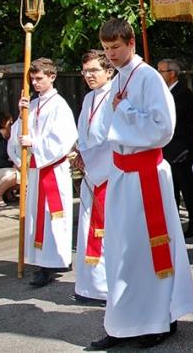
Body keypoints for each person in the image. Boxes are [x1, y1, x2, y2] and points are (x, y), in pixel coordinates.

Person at [89, 18, 193, 350]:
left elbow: (163, 128)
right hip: (122, 176)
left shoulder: (149, 78)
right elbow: (109, 130)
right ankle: (121, 323)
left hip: (147, 176)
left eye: (116, 47)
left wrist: (125, 110)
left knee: (148, 251)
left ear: (132, 43)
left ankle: (159, 320)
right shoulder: (118, 78)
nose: (111, 55)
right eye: (106, 49)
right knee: (120, 251)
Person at [7, 58, 77, 287]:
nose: (35, 83)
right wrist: (21, 116)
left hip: (52, 170)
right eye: (32, 79)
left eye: (39, 78)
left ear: (52, 77)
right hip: (36, 170)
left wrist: (34, 143)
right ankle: (46, 259)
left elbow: (63, 139)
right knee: (37, 217)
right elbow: (18, 136)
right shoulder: (33, 104)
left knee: (53, 217)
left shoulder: (59, 106)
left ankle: (51, 263)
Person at [74, 50, 114, 303]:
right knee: (88, 228)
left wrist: (90, 159)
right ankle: (90, 285)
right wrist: (80, 151)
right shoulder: (89, 98)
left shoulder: (116, 97)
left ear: (108, 72)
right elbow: (84, 131)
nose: (88, 75)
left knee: (107, 231)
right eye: (85, 71)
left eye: (94, 70)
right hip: (92, 171)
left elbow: (113, 137)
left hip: (108, 173)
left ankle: (106, 287)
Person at [158, 58, 193, 238]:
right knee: (171, 188)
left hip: (180, 148)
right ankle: (173, 223)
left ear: (172, 73)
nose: (158, 74)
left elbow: (172, 117)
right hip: (166, 147)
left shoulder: (183, 92)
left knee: (187, 187)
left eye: (161, 71)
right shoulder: (163, 93)